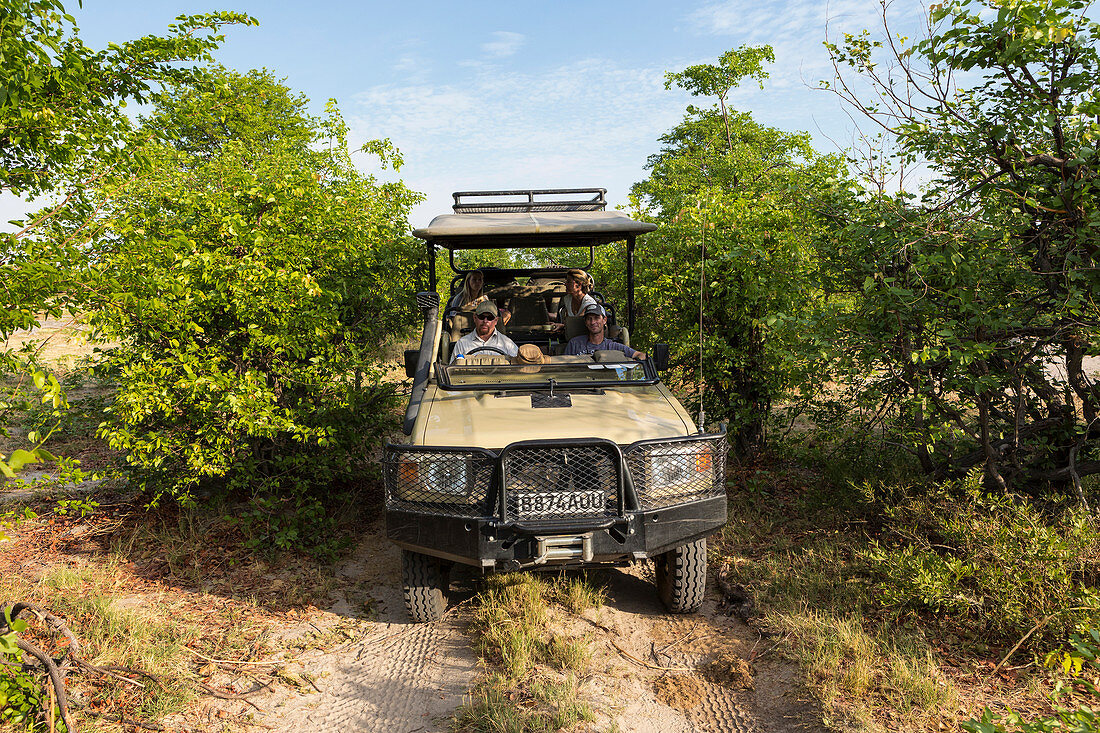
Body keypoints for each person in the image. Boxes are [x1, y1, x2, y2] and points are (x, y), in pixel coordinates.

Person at [564, 303, 647, 359]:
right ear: (586, 322)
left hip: (607, 383)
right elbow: (563, 366)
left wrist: (637, 361)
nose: (593, 322)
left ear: (604, 320)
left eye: (596, 318)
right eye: (589, 319)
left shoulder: (613, 346)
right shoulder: (574, 344)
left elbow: (641, 355)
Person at [451, 301, 519, 361]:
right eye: (481, 317)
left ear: (496, 321)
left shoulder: (507, 344)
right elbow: (452, 371)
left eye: (490, 318)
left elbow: (519, 368)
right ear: (475, 318)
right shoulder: (462, 344)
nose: (485, 321)